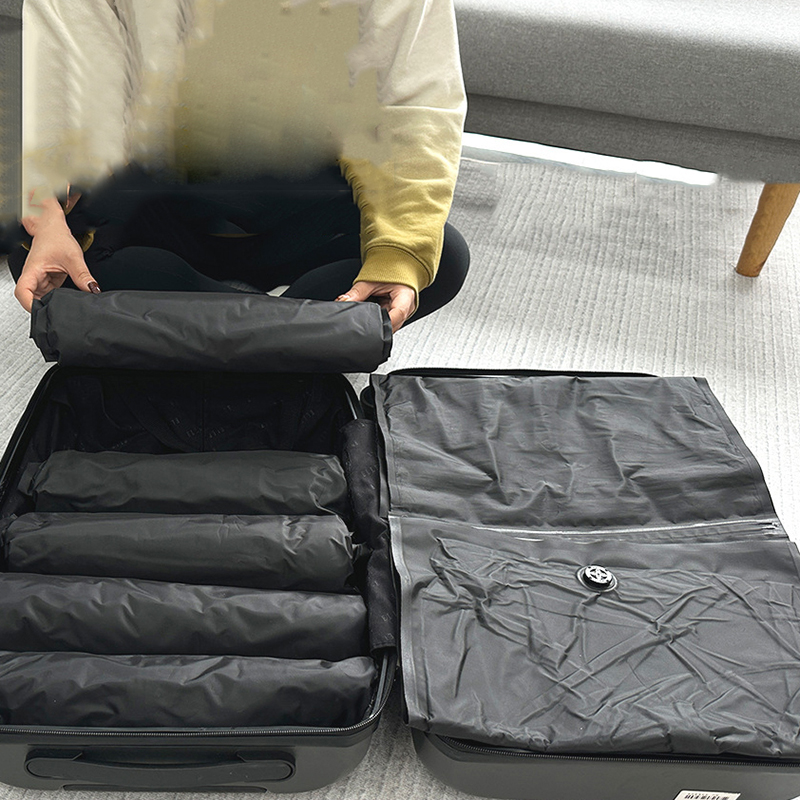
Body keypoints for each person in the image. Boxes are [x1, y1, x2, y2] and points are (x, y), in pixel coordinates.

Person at [9, 0, 470, 333]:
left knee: (431, 256)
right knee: (35, 241)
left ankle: (197, 335)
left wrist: (399, 253)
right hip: (157, 202)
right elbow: (59, 84)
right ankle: (296, 337)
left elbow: (412, 106)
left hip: (306, 203)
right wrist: (45, 214)